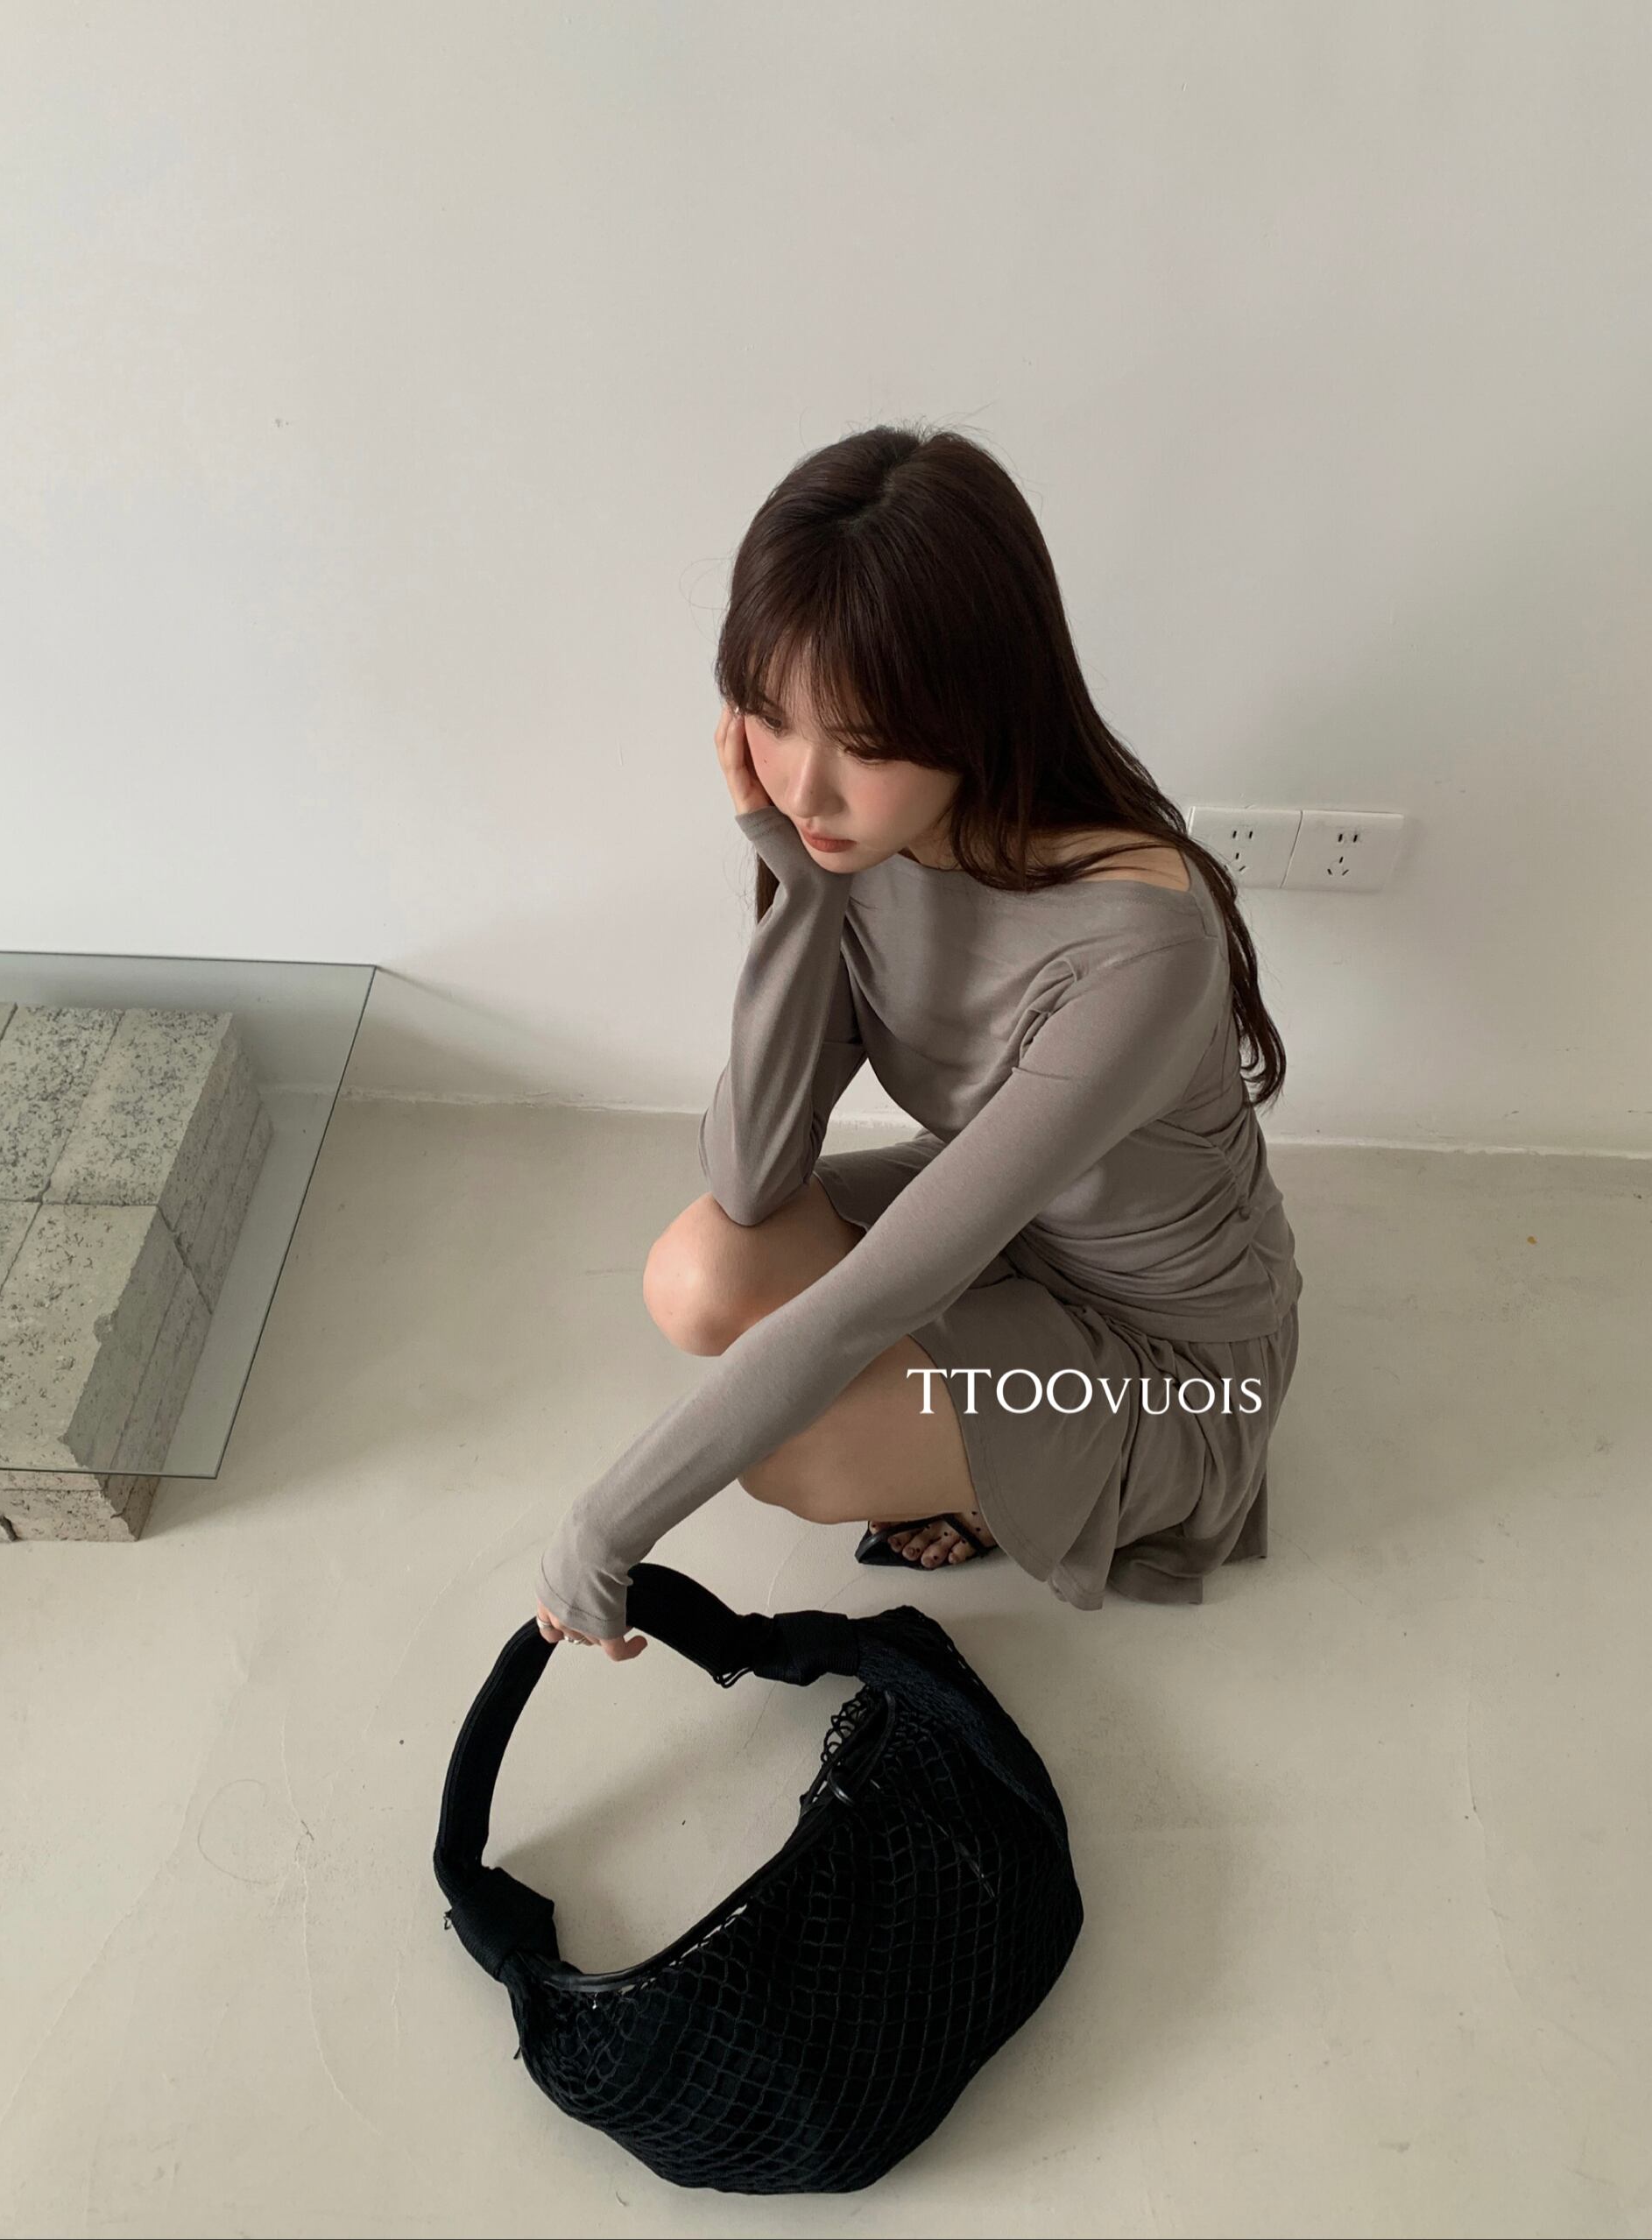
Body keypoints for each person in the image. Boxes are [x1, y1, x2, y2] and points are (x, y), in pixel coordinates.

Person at [534, 421, 1303, 1660]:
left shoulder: (1138, 947)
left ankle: (1000, 1488)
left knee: (797, 1451)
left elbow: (872, 1300)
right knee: (699, 1275)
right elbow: (750, 1175)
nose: (805, 788)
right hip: (1006, 1235)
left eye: (868, 744)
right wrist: (802, 889)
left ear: (976, 709)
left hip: (1163, 1361)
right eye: (772, 718)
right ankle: (961, 1438)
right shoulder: (859, 845)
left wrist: (605, 1527)